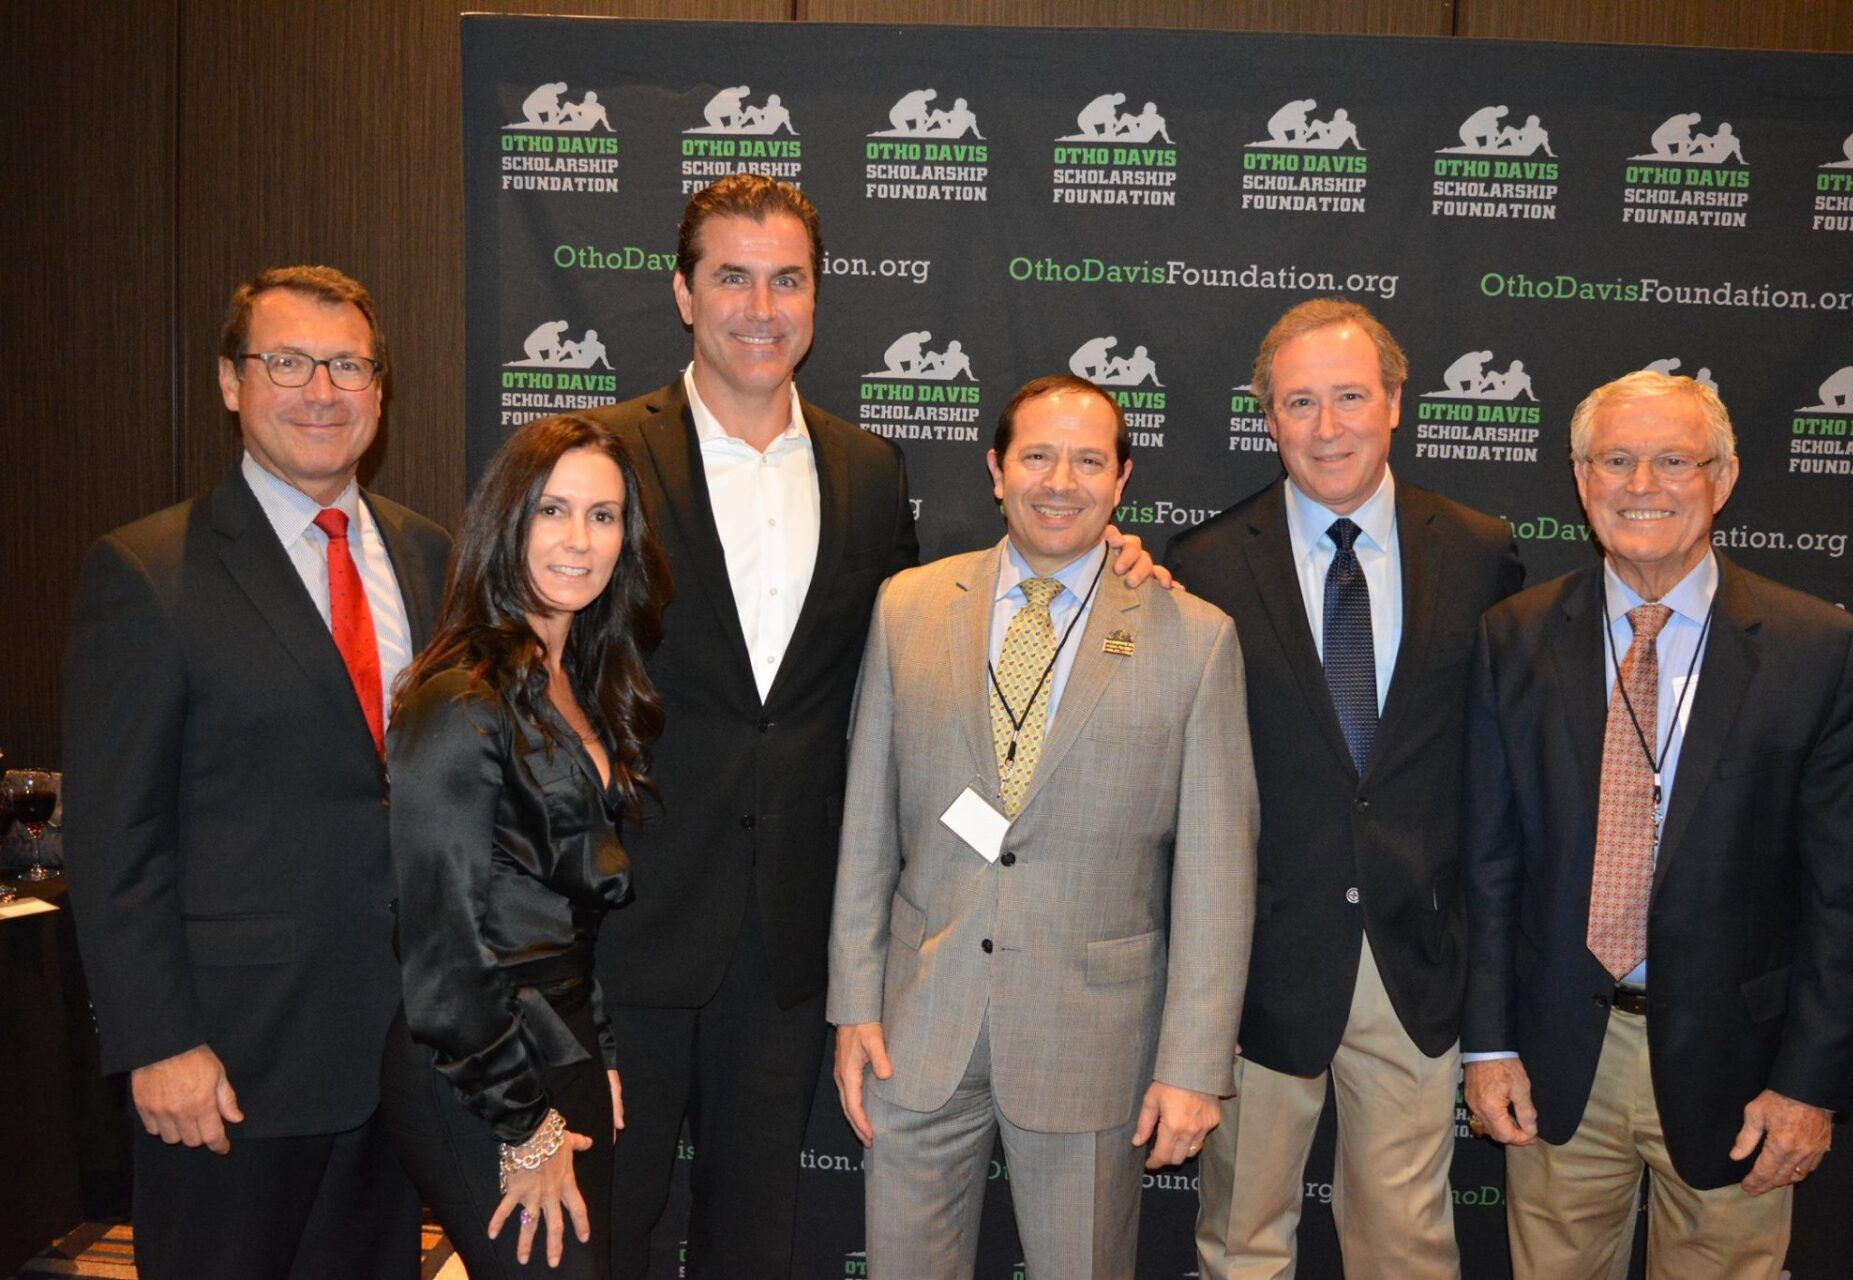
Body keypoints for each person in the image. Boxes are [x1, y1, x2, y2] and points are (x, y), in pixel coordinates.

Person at [586, 174, 1162, 1278]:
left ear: (817, 296)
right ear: (682, 293)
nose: (762, 306)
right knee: (614, 1225)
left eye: (788, 279)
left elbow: (920, 683)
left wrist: (1110, 560)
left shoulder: (865, 470)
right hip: (630, 917)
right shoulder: (599, 455)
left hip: (792, 935)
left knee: (755, 1230)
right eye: (733, 277)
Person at [62, 265, 451, 1280]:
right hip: (229, 1070)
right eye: (287, 362)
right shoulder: (148, 571)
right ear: (232, 383)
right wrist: (157, 1041)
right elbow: (115, 839)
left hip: (397, 1059)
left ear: (380, 388)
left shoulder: (430, 558)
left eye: (349, 365)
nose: (321, 390)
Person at [829, 375, 1257, 1279]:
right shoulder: (907, 607)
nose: (1060, 481)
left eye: (1088, 460)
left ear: (1122, 480)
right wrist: (854, 1002)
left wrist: (1192, 1062)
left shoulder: (1196, 636)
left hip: (1093, 1038)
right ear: (995, 469)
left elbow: (1219, 875)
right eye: (1036, 455)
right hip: (919, 1027)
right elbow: (866, 823)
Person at [1463, 372, 1853, 1279]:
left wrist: (1809, 1085)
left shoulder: (1820, 651)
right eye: (1615, 461)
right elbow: (1491, 866)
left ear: (1723, 478)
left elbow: (1845, 901)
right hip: (1558, 1058)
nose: (1641, 485)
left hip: (1741, 1067)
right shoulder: (1518, 636)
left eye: (1671, 461)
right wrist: (1491, 1045)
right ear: (1581, 480)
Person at [1170, 299, 1522, 1280]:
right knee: (1241, 1239)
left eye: (1351, 397)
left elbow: (1501, 773)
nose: (1328, 427)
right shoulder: (1203, 564)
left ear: (1397, 402)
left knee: (1405, 1244)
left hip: (1416, 961)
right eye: (1300, 402)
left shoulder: (1481, 550)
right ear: (1268, 417)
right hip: (1260, 965)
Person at [381, 414, 671, 1278]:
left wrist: (598, 1054)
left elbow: (568, 912)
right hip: (477, 1060)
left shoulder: (580, 680)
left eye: (605, 515)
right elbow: (442, 949)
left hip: (562, 1036)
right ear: (507, 521)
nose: (581, 540)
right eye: (554, 510)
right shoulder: (459, 696)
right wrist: (523, 1124)